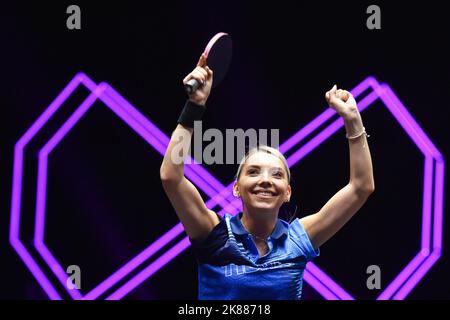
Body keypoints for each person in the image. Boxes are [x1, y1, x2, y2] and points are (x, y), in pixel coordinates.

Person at [160, 54, 375, 300]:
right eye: (253, 172)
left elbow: (361, 187)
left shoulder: (299, 238)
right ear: (237, 188)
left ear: (287, 192)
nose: (265, 180)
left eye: (277, 174)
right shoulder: (213, 233)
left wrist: (352, 119)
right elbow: (171, 178)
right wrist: (195, 106)